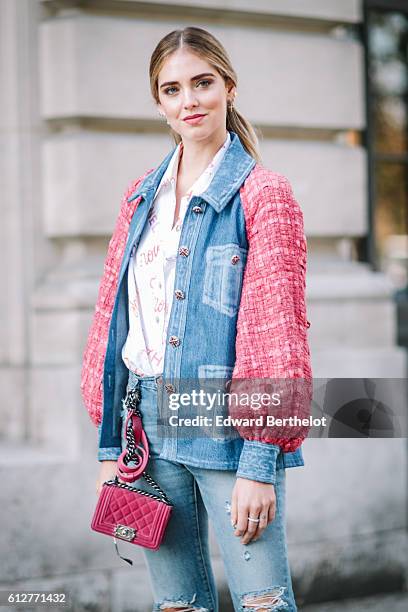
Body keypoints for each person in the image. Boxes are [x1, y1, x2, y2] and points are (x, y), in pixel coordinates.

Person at [81, 25, 312, 612]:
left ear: (229, 88)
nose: (190, 100)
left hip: (227, 431)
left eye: (203, 82)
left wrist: (262, 461)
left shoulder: (264, 194)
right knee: (177, 607)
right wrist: (111, 448)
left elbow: (275, 335)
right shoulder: (139, 197)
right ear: (158, 103)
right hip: (145, 435)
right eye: (172, 88)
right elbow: (115, 327)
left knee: (264, 603)